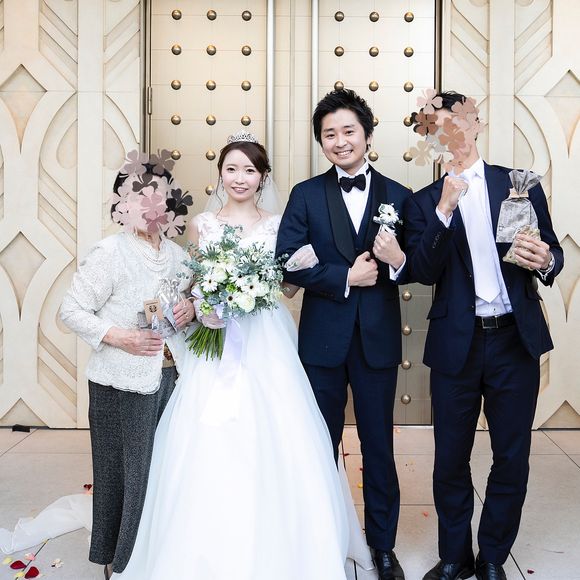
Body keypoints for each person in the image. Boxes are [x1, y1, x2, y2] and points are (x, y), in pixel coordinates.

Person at [113, 132, 375, 580]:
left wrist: (273, 281)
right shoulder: (202, 224)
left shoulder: (279, 224)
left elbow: (288, 286)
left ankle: (290, 542)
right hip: (216, 340)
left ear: (262, 177)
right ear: (220, 175)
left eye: (250, 170)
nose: (240, 178)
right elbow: (191, 284)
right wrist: (202, 304)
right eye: (231, 169)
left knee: (281, 427)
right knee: (208, 433)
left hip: (267, 338)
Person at [404, 91, 564, 580]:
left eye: (454, 121)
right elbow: (423, 270)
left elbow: (551, 250)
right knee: (450, 458)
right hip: (457, 342)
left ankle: (493, 555)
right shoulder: (424, 202)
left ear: (475, 123)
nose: (447, 133)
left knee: (511, 455)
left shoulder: (518, 183)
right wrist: (444, 210)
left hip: (513, 340)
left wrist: (548, 260)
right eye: (435, 127)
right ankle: (455, 556)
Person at [276, 88, 410, 580]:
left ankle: (383, 547)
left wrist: (397, 260)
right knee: (319, 446)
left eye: (348, 130)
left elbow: (417, 262)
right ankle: (320, 541)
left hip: (377, 341)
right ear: (321, 142)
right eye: (329, 134)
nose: (340, 141)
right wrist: (344, 277)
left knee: (379, 447)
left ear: (368, 135)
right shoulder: (306, 194)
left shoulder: (398, 194)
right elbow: (286, 259)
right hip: (322, 342)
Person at [60, 150, 195, 579]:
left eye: (159, 193)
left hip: (171, 378)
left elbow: (186, 309)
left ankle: (154, 556)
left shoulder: (177, 256)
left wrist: (191, 309)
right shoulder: (109, 253)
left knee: (162, 473)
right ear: (121, 202)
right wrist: (121, 336)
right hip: (120, 384)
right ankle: (119, 561)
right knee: (125, 475)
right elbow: (71, 310)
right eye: (139, 194)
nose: (150, 202)